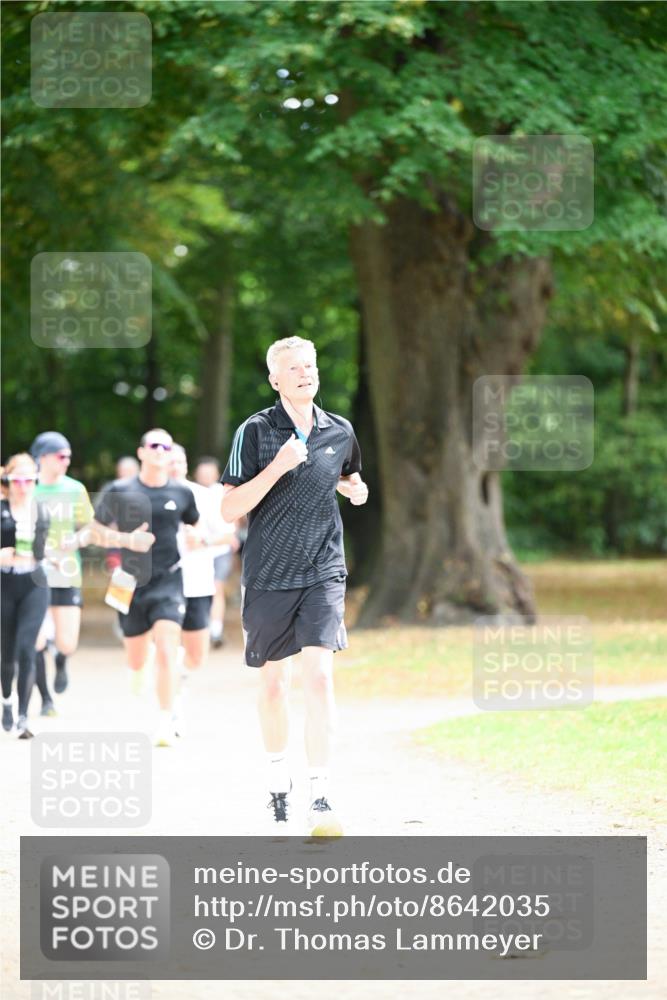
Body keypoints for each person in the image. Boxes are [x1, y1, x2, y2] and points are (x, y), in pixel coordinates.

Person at [221, 336, 368, 831]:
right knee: (274, 686)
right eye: (293, 367)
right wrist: (278, 466)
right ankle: (277, 781)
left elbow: (346, 475)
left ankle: (321, 793)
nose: (305, 373)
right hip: (268, 575)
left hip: (323, 569)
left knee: (320, 677)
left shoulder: (339, 430)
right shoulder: (256, 431)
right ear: (275, 379)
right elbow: (229, 508)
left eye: (310, 365)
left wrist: (353, 487)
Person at [90, 429, 201, 747]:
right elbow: (95, 532)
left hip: (168, 578)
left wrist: (196, 536)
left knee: (167, 649)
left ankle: (166, 720)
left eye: (166, 446)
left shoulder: (181, 493)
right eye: (154, 445)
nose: (160, 450)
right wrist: (126, 540)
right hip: (128, 579)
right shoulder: (120, 489)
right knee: (137, 659)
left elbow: (194, 524)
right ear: (141, 453)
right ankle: (138, 667)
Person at [169, 445, 238, 733]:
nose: (174, 466)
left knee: (196, 654)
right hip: (162, 584)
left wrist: (203, 540)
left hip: (197, 582)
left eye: (179, 461)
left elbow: (228, 538)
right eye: (169, 461)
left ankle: (181, 678)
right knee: (167, 647)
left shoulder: (203, 496)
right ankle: (170, 709)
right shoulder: (142, 496)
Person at [30, 431, 95, 708]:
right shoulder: (26, 487)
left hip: (67, 572)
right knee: (35, 640)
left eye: (69, 455)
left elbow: (91, 528)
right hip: (32, 572)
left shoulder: (75, 488)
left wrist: (77, 540)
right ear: (42, 457)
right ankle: (45, 698)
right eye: (60, 455)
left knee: (67, 642)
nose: (66, 460)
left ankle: (61, 659)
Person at [1, 453, 50, 738]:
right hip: (4, 584)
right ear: (8, 480)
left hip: (34, 583)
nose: (23, 485)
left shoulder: (41, 511)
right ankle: (6, 699)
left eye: (29, 479)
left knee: (26, 648)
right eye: (17, 479)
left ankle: (23, 716)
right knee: (7, 654)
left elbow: (45, 550)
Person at [193, 456, 238, 648]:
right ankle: (201, 628)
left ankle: (215, 630)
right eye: (202, 473)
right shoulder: (191, 491)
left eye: (209, 472)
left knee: (216, 587)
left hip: (219, 548)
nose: (205, 476)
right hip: (197, 550)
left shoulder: (222, 492)